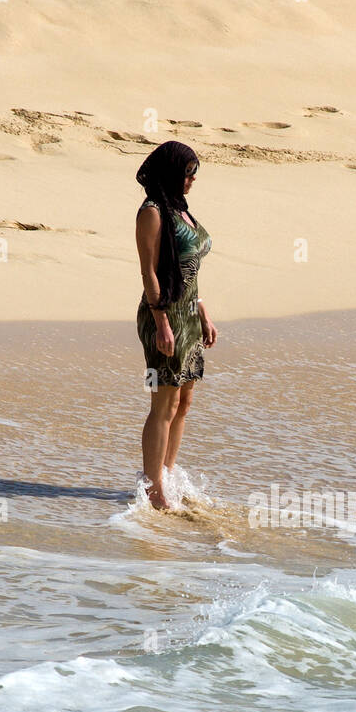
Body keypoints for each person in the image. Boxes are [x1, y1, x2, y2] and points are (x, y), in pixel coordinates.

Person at [134, 140, 216, 510]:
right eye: (187, 172)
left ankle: (167, 475)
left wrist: (202, 311)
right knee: (163, 404)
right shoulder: (152, 212)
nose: (192, 179)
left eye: (194, 173)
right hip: (162, 316)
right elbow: (149, 273)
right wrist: (161, 322)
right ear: (171, 172)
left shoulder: (181, 211)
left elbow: (190, 270)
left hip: (188, 316)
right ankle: (153, 491)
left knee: (184, 401)